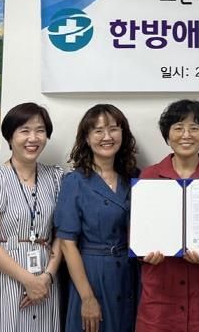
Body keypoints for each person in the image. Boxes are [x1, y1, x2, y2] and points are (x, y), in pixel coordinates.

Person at [0, 102, 64, 332]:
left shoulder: (56, 177)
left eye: (40, 130)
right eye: (24, 131)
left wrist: (46, 277)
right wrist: (29, 280)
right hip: (1, 279)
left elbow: (62, 234)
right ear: (9, 136)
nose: (33, 138)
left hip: (45, 281)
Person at [136, 99, 199, 332]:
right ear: (167, 135)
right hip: (160, 296)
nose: (186, 135)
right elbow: (136, 232)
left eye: (194, 128)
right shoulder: (149, 177)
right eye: (178, 128)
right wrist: (144, 254)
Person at [54, 104, 139, 332]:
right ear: (87, 138)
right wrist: (87, 297)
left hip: (128, 272)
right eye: (98, 131)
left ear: (123, 133)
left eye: (113, 129)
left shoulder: (134, 177)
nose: (107, 137)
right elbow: (67, 245)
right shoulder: (74, 182)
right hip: (92, 273)